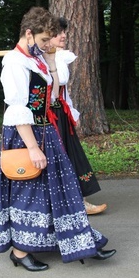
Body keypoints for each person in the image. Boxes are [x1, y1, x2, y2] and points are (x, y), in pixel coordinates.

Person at [0, 6, 116, 272]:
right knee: (29, 192)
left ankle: (80, 241)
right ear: (28, 33)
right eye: (45, 39)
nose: (48, 44)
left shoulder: (35, 59)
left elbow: (53, 95)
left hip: (46, 130)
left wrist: (52, 60)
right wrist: (33, 148)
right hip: (26, 135)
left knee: (62, 188)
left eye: (49, 40)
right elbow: (16, 108)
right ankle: (20, 251)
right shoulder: (14, 61)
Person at [49, 17, 107, 215]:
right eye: (58, 32)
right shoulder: (45, 58)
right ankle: (68, 204)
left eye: (64, 31)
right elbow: (57, 83)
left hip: (61, 111)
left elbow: (63, 90)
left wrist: (72, 112)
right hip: (49, 114)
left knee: (71, 155)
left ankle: (79, 201)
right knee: (60, 157)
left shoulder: (59, 56)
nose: (63, 35)